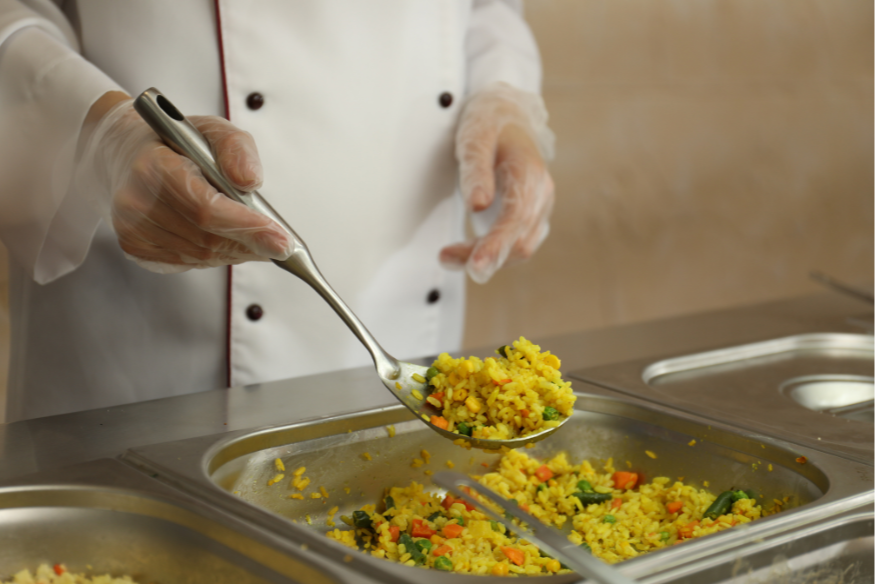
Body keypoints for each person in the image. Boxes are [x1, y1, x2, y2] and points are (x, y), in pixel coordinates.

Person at [0, 0, 555, 422]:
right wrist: (101, 138)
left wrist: (505, 97)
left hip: (406, 305)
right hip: (140, 364)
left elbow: (490, 9)